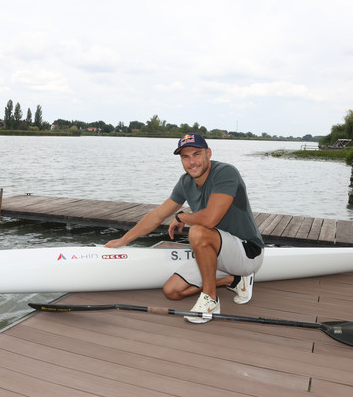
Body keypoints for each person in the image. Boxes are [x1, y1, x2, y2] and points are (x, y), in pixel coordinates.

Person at [105, 133, 264, 323]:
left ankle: (210, 300)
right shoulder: (185, 182)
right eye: (185, 157)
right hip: (218, 255)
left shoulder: (226, 173)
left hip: (246, 252)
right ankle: (236, 280)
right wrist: (124, 240)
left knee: (198, 231)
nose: (192, 162)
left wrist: (182, 216)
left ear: (208, 153)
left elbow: (210, 219)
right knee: (172, 291)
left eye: (197, 154)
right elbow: (157, 215)